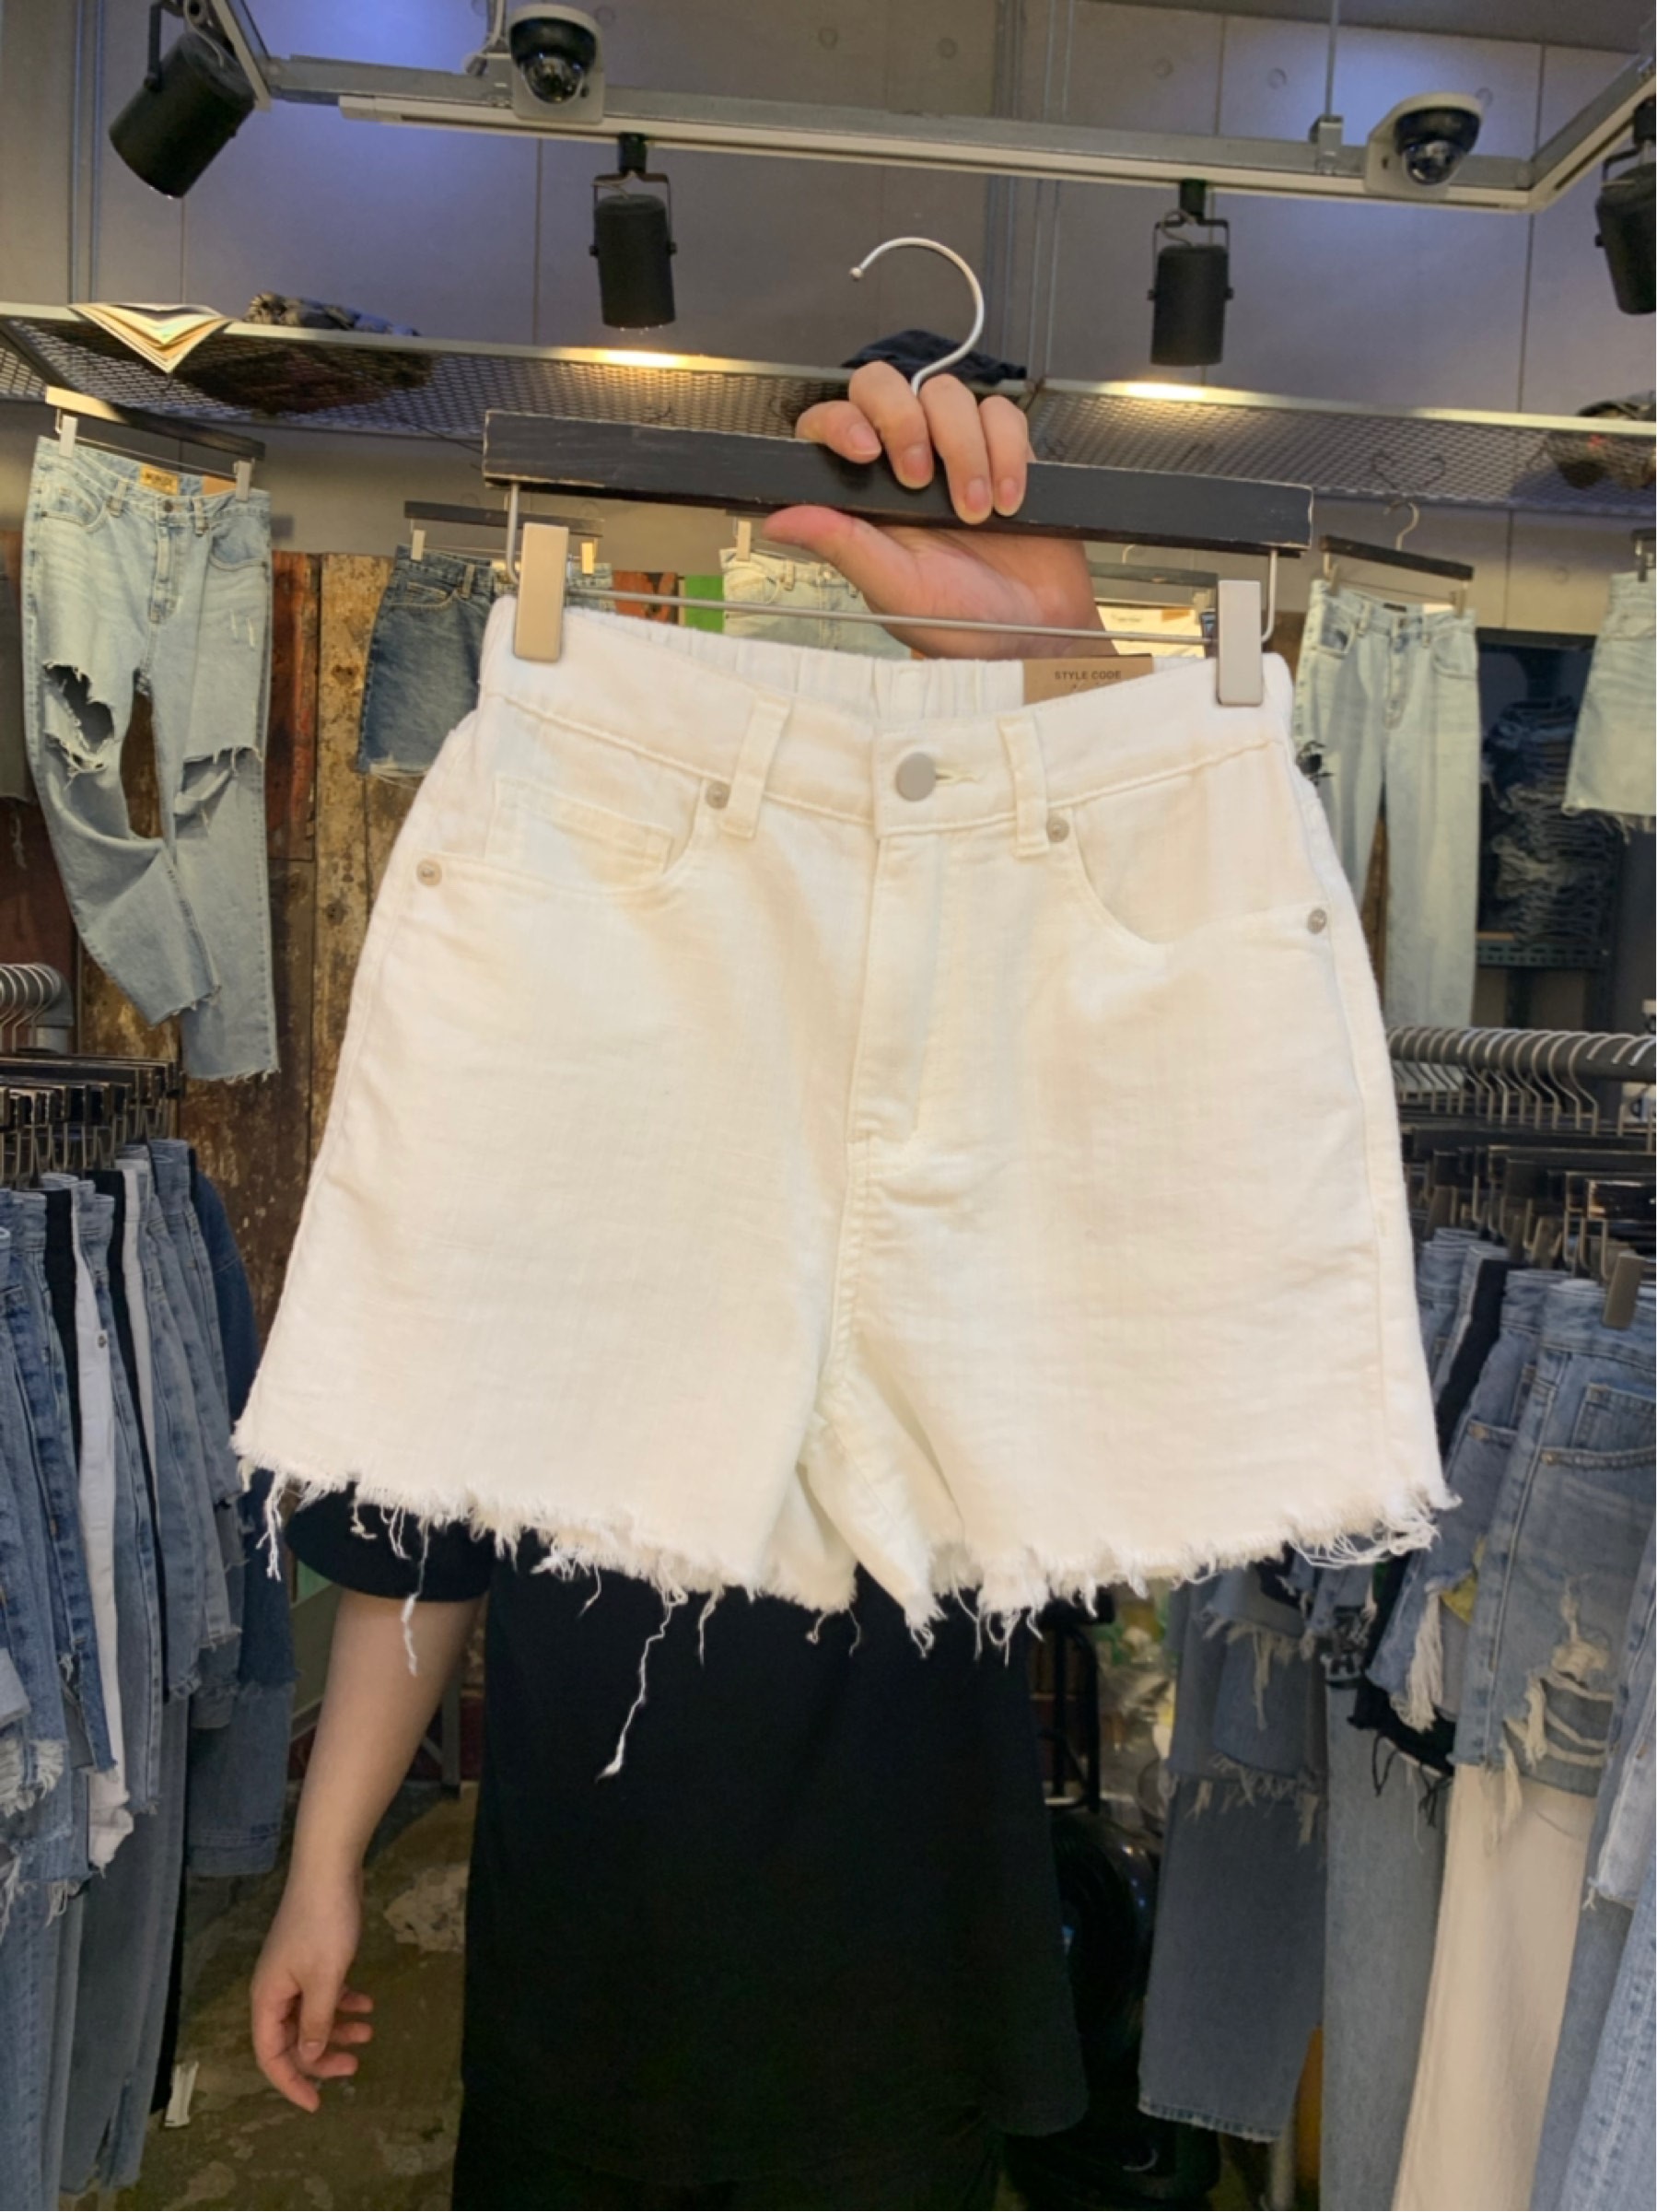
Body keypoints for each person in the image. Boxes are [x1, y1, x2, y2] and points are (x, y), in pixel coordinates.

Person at [251, 365, 1111, 2210]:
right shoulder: (555, 1080)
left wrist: (1063, 676)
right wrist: (327, 1860)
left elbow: (1148, 1073)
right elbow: (420, 1530)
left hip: (901, 1960)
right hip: (599, 1964)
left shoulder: (970, 1096)